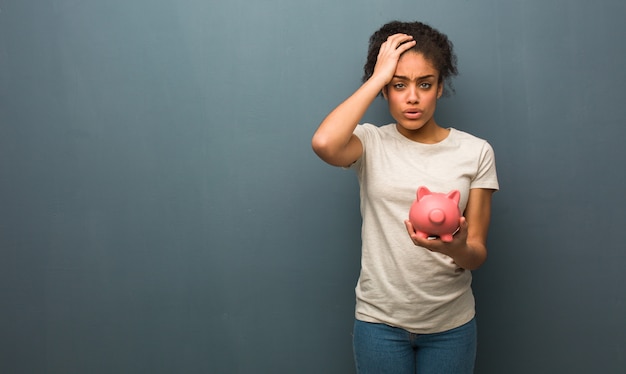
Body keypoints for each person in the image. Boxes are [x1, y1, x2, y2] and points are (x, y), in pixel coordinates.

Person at [311, 21, 499, 374]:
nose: (412, 97)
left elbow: (475, 255)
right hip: (379, 323)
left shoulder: (476, 152)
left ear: (440, 87)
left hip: (451, 326)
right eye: (398, 85)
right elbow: (324, 144)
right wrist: (377, 77)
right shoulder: (369, 142)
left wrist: (451, 246)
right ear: (385, 91)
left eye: (424, 84)